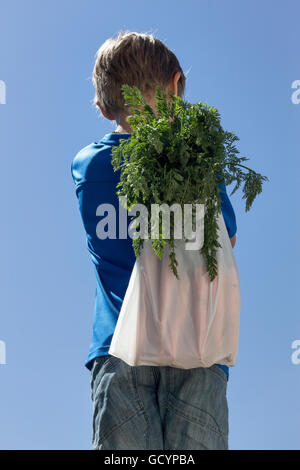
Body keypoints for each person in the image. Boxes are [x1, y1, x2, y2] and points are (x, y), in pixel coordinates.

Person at [71, 30, 237, 450]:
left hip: (119, 348)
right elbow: (226, 241)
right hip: (195, 344)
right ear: (176, 85)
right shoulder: (194, 158)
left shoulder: (88, 167)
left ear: (104, 106)